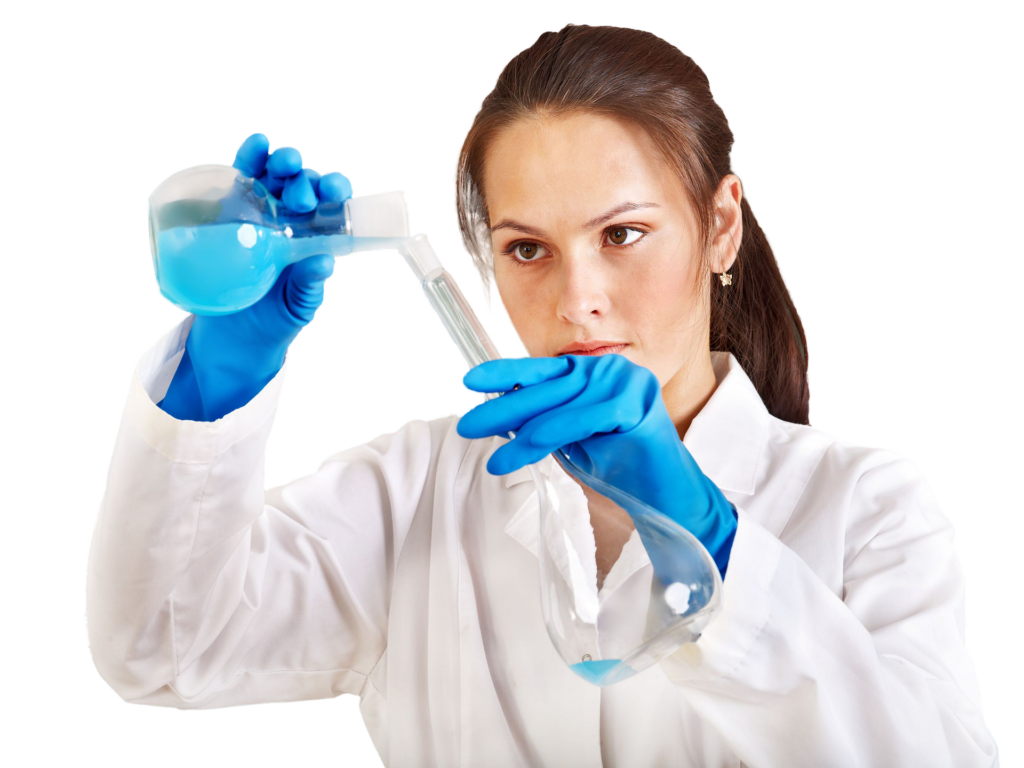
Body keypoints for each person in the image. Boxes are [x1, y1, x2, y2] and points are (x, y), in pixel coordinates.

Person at [84, 23, 1003, 768]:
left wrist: (709, 541)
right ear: (481, 262)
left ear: (720, 226)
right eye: (529, 249)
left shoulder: (863, 509)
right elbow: (163, 649)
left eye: (625, 233)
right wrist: (221, 377)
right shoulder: (416, 492)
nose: (577, 300)